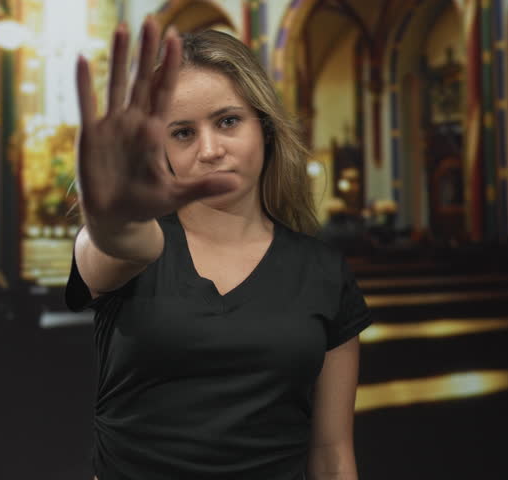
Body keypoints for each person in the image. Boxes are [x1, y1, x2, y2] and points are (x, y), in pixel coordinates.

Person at [66, 16, 371, 480]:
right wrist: (112, 221)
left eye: (228, 121)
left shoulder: (324, 271)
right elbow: (118, 246)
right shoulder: (136, 245)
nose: (209, 150)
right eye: (182, 132)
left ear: (264, 128)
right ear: (160, 148)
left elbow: (331, 453)